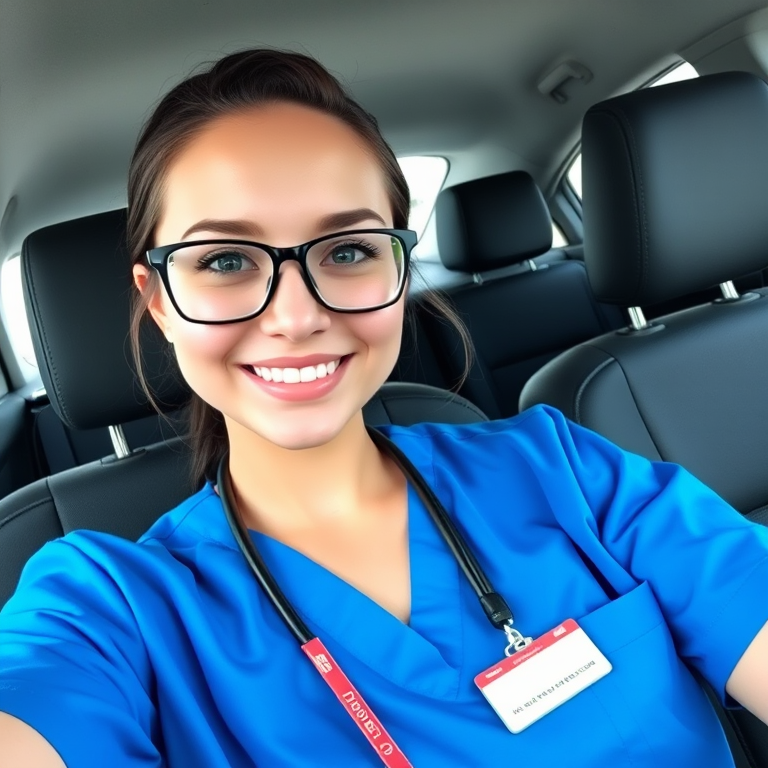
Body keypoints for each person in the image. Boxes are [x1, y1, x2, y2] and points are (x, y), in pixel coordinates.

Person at [0, 49, 767, 768]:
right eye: (226, 261)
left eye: (347, 251)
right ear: (158, 302)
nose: (296, 317)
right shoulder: (108, 608)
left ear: (399, 273)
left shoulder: (565, 471)